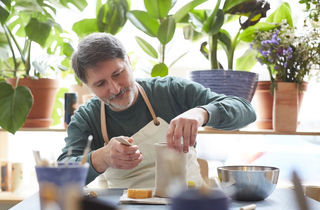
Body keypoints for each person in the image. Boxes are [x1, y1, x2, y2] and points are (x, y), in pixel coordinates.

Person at [58, 33, 256, 188]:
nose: (115, 88)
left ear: (128, 61)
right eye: (101, 84)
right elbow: (60, 176)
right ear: (87, 86)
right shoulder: (86, 117)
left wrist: (202, 112)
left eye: (118, 74)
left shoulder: (171, 90)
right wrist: (102, 158)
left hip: (189, 202)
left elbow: (246, 110)